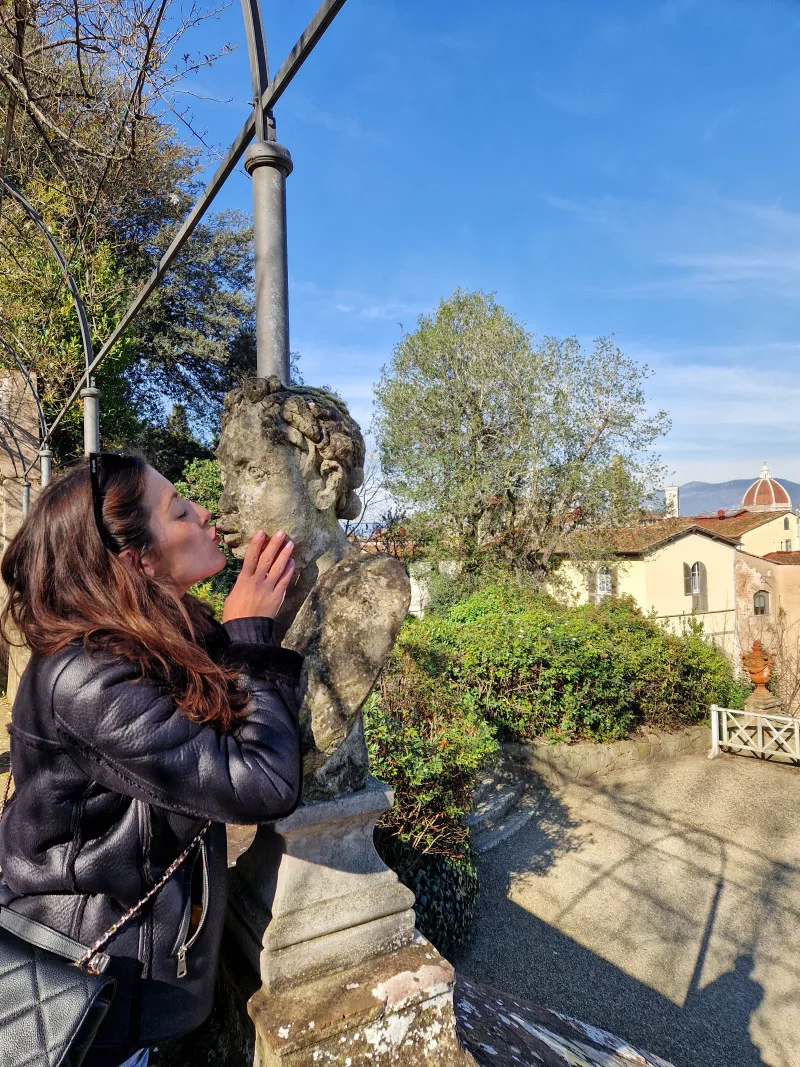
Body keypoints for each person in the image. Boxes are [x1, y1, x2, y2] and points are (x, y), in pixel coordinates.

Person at [0, 452, 303, 1067]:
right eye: (181, 510)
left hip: (121, 968)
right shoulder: (87, 677)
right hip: (81, 982)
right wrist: (248, 634)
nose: (206, 513)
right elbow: (264, 781)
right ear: (137, 561)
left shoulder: (155, 639)